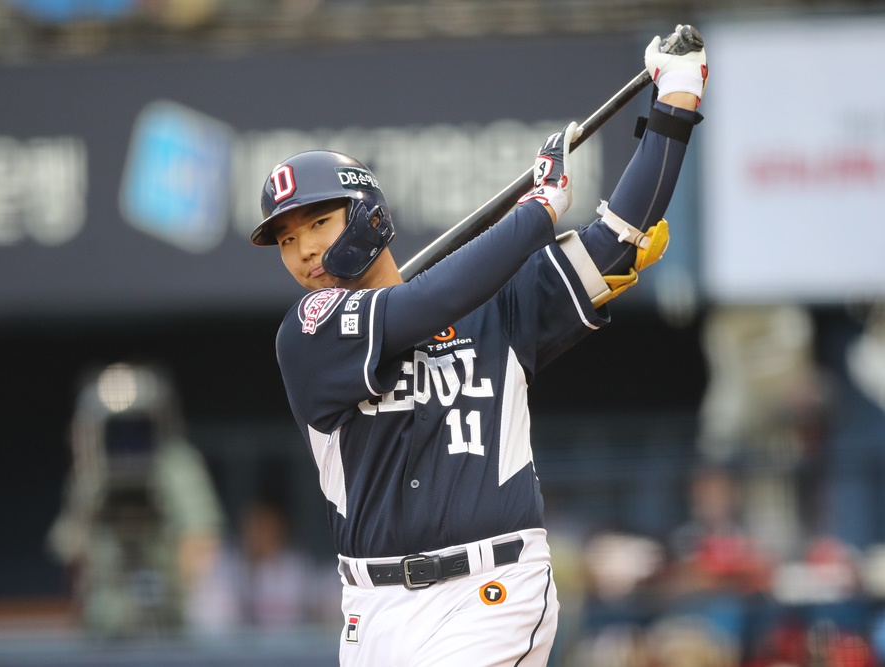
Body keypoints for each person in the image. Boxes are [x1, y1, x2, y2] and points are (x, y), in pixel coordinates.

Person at [250, 29, 707, 666]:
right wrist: (536, 211)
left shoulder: (497, 306)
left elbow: (618, 239)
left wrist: (676, 99)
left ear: (368, 216)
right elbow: (423, 306)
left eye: (318, 222)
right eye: (284, 239)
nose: (302, 250)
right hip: (373, 611)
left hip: (491, 592)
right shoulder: (309, 332)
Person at [47, 361, 225, 639]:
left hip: (165, 618)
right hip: (105, 618)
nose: (128, 438)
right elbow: (72, 547)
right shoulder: (92, 471)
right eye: (118, 428)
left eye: (137, 426)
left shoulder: (176, 465)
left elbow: (202, 536)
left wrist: (181, 586)